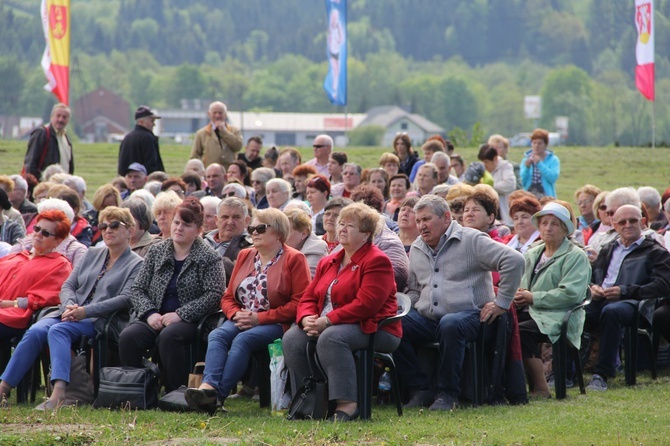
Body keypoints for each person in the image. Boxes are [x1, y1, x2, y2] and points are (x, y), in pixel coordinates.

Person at [0, 207, 144, 410]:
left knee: (59, 330)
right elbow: (68, 285)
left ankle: (59, 393)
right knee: (36, 331)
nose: (107, 230)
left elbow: (126, 299)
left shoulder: (137, 264)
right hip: (69, 312)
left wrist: (86, 311)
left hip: (101, 319)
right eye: (103, 226)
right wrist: (69, 305)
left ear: (130, 230)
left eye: (114, 225)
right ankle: (3, 389)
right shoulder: (93, 253)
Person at [394, 195, 524, 410]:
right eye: (418, 221)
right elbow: (416, 289)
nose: (421, 226)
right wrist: (406, 307)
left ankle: (448, 394)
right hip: (430, 318)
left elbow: (515, 260)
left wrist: (502, 303)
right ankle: (420, 388)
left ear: (446, 218)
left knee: (451, 324)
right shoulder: (417, 247)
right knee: (395, 323)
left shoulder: (471, 239)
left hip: (472, 316)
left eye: (426, 219)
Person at [283, 202, 402, 422]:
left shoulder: (377, 261)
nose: (342, 229)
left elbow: (366, 305)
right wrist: (306, 318)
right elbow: (308, 297)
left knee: (332, 338)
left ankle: (347, 404)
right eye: (341, 223)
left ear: (366, 234)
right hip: (328, 323)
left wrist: (327, 321)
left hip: (375, 327)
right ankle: (315, 399)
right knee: (292, 338)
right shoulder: (329, 261)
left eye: (350, 225)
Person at [185, 208, 311, 414]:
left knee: (243, 340)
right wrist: (236, 314)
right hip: (241, 317)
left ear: (279, 233)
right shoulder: (245, 255)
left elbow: (300, 302)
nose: (254, 232)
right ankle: (208, 386)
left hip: (276, 322)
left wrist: (259, 318)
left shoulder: (294, 259)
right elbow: (227, 297)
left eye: (261, 228)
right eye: (252, 228)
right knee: (217, 334)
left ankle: (217, 397)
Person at [118, 198, 225, 393]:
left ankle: (175, 392)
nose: (179, 228)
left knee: (169, 336)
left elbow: (215, 295)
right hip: (155, 316)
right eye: (176, 222)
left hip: (192, 321)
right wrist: (150, 313)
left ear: (199, 229)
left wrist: (181, 314)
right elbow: (138, 288)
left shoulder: (209, 257)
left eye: (187, 224)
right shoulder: (157, 251)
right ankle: (137, 390)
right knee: (129, 336)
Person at [584, 204, 670, 391]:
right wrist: (593, 288)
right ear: (614, 225)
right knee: (576, 311)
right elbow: (591, 276)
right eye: (622, 222)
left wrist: (625, 291)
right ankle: (568, 370)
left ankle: (602, 374)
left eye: (633, 220)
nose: (627, 225)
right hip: (602, 299)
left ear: (644, 222)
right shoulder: (608, 249)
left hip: (634, 303)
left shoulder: (655, 252)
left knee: (612, 311)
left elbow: (663, 285)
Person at [514, 203, 591, 398]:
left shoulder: (576, 256)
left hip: (560, 314)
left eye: (555, 224)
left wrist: (532, 297)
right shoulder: (533, 252)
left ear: (565, 229)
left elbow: (571, 294)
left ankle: (541, 388)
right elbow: (523, 284)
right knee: (502, 324)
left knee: (521, 331)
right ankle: (507, 386)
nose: (548, 228)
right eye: (544, 223)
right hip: (531, 310)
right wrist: (519, 295)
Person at [0, 210, 73, 343]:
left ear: (58, 240)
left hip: (14, 315)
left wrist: (10, 304)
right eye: (37, 229)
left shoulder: (60, 265)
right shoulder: (16, 257)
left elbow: (48, 297)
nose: (38, 235)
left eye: (45, 233)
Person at [203, 197, 253, 281]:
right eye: (225, 217)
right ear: (216, 220)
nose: (230, 222)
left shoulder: (251, 247)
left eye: (236, 217)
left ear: (246, 221)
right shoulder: (201, 240)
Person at [24, 103, 73, 180]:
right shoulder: (41, 133)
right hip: (44, 187)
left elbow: (69, 166)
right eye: (58, 116)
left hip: (62, 187)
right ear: (51, 117)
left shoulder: (66, 139)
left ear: (68, 120)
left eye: (64, 117)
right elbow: (31, 163)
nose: (60, 120)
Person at [190, 101, 243, 169]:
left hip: (228, 171)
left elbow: (238, 147)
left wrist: (224, 131)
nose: (217, 115)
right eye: (214, 113)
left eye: (220, 113)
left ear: (225, 114)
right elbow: (195, 155)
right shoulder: (201, 133)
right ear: (209, 114)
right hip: (209, 172)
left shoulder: (234, 130)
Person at [117, 106, 164, 176]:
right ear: (141, 122)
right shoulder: (147, 137)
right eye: (152, 121)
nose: (154, 124)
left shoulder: (127, 137)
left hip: (128, 180)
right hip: (144, 180)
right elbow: (151, 164)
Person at [478, 144, 516, 226]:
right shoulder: (482, 170)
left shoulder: (505, 166)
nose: (484, 165)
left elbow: (510, 184)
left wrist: (489, 187)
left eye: (486, 162)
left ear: (495, 159)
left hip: (503, 210)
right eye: (482, 162)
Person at [285, 208, 328, 278]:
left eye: (286, 232)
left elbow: (303, 282)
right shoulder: (278, 247)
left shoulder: (316, 250)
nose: (281, 236)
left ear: (304, 234)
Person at [520, 129, 560, 199]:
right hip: (529, 194)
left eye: (539, 143)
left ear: (545, 145)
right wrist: (527, 168)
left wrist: (540, 164)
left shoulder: (553, 160)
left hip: (546, 196)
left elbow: (552, 178)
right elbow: (522, 182)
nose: (536, 146)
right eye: (534, 143)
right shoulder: (526, 160)